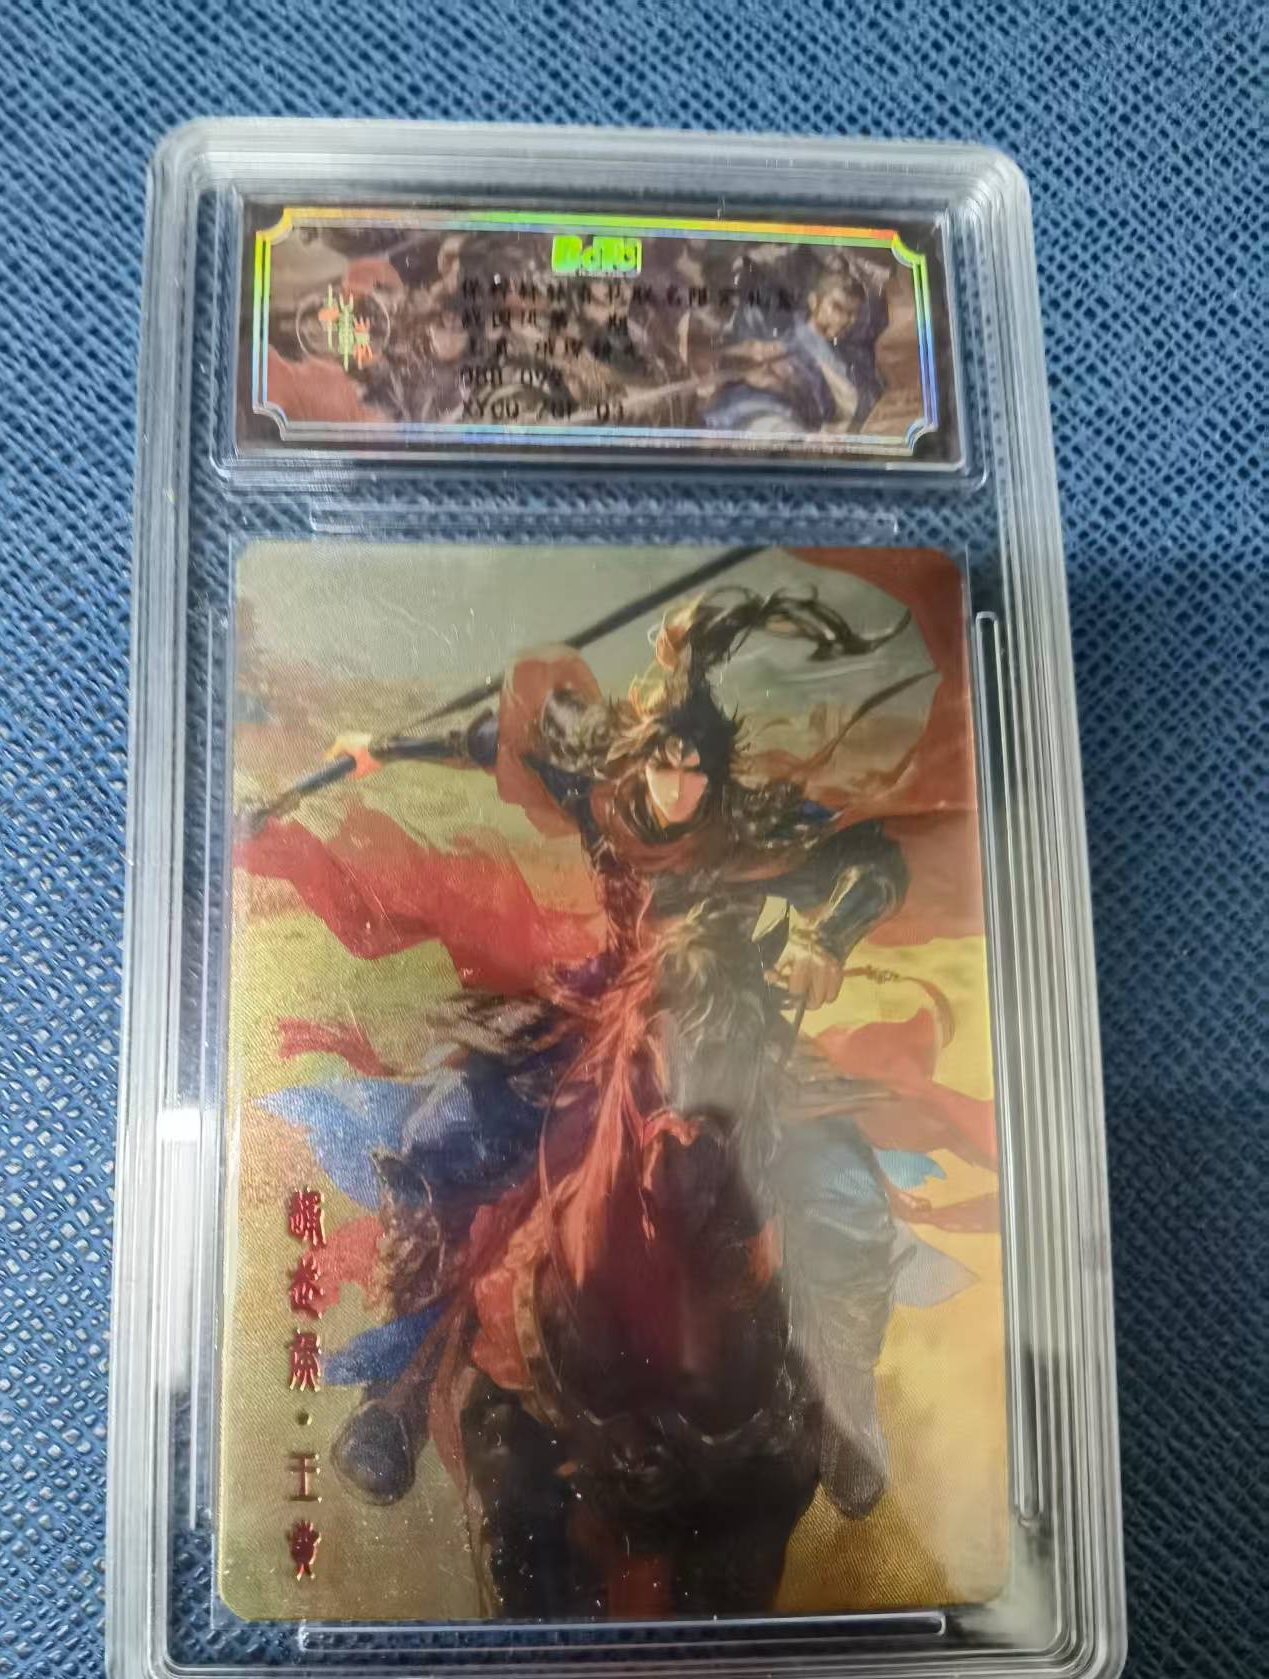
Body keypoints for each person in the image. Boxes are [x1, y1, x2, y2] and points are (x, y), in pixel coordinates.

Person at [325, 587, 915, 1618]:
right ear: (639, 761)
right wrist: (379, 750)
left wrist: (828, 935)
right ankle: (399, 1390)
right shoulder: (604, 795)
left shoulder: (751, 824)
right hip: (606, 1015)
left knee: (847, 1194)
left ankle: (841, 1406)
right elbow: (493, 741)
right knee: (442, 1136)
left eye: (696, 768)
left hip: (733, 1027)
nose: (680, 785)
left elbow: (875, 859)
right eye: (666, 763)